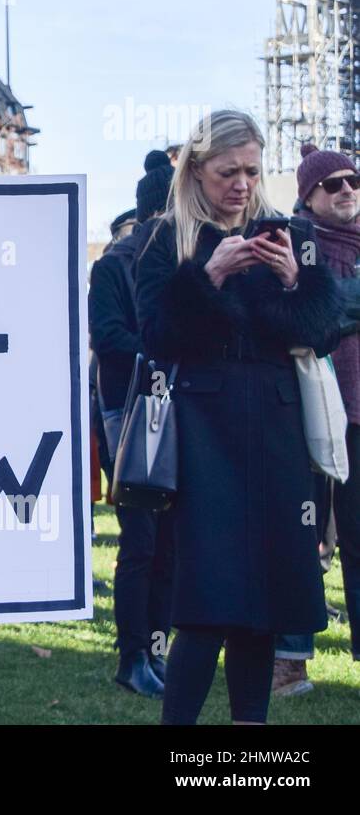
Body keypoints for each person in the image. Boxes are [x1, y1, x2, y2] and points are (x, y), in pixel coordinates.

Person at [134, 111, 341, 725]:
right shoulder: (166, 238)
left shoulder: (290, 235)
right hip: (203, 432)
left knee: (263, 608)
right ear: (196, 170)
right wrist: (211, 276)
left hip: (277, 436)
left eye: (252, 171)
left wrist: (295, 284)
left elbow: (324, 332)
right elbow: (154, 337)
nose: (242, 185)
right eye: (228, 171)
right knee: (205, 607)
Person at [270, 143, 360, 696]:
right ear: (308, 196)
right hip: (310, 413)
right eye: (333, 184)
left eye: (354, 181)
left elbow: (329, 306)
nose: (347, 190)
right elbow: (310, 318)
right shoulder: (294, 241)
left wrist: (334, 303)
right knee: (301, 539)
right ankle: (289, 659)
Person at [89, 150, 175, 698]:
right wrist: (165, 351)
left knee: (169, 543)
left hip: (176, 412)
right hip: (133, 416)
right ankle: (133, 655)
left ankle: (158, 653)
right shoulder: (115, 264)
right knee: (143, 542)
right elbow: (108, 336)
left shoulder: (182, 254)